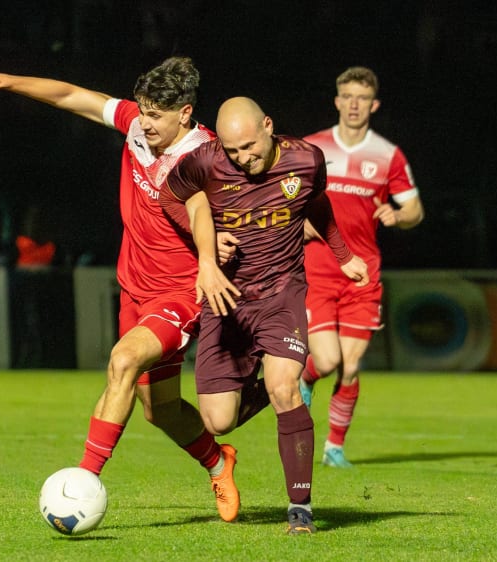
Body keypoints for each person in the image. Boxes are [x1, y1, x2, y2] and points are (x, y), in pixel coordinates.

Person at [0, 57, 264, 522]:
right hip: (133, 290)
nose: (145, 121)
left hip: (181, 293)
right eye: (143, 110)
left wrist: (215, 243)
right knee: (160, 410)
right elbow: (72, 95)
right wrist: (4, 81)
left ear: (185, 112)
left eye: (156, 114)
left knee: (122, 360)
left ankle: (83, 482)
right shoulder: (139, 128)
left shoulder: (207, 156)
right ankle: (219, 461)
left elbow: (212, 207)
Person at [161, 97, 370, 535]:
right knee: (219, 421)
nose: (242, 158)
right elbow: (170, 198)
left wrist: (343, 254)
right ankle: (274, 390)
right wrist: (206, 244)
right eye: (233, 150)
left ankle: (300, 509)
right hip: (225, 301)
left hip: (281, 296)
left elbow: (317, 207)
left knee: (283, 388)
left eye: (250, 147)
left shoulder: (306, 160)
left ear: (269, 126)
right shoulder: (205, 161)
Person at [299, 67, 425, 468]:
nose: (354, 105)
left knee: (350, 367)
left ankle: (334, 448)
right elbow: (285, 203)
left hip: (363, 275)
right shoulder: (312, 148)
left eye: (362, 98)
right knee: (329, 360)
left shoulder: (387, 155)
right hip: (318, 271)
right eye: (347, 96)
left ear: (374, 105)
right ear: (337, 101)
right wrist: (296, 225)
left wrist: (398, 216)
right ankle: (304, 377)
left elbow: (415, 210)